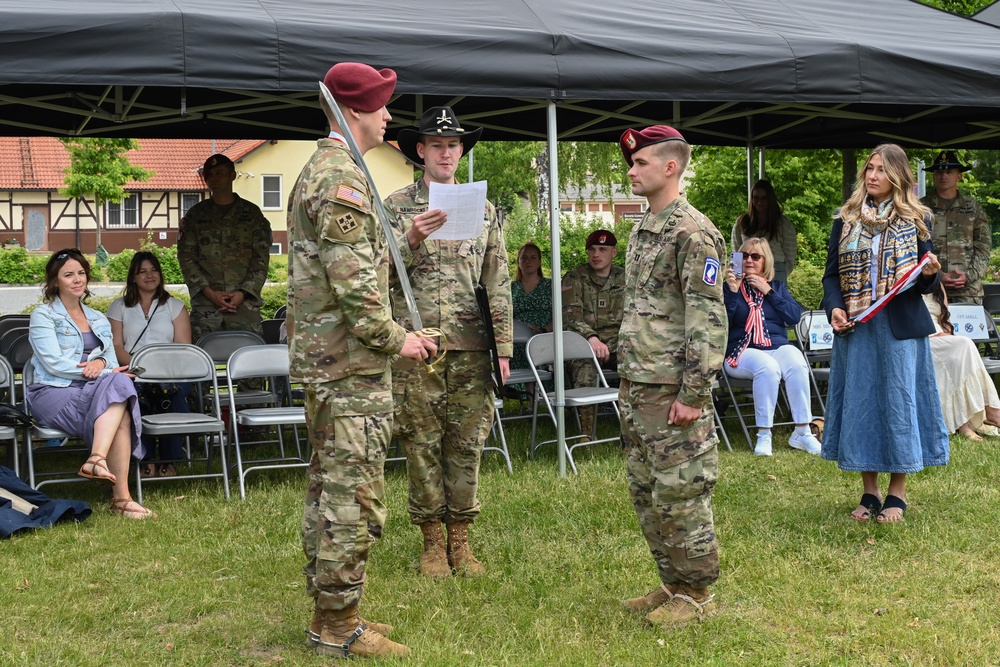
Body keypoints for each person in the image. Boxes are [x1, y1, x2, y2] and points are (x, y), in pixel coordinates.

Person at [287, 62, 436, 660]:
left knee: (330, 493)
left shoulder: (334, 170)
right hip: (349, 367)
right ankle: (338, 626)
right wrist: (399, 339)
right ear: (353, 111)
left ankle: (333, 613)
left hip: (336, 363)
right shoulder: (341, 179)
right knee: (352, 500)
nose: (389, 115)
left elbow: (355, 263)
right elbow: (355, 289)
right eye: (381, 105)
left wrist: (407, 242)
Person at [384, 105, 512, 579]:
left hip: (471, 345)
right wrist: (410, 239)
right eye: (436, 145)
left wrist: (503, 349)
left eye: (453, 145)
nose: (445, 153)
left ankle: (461, 538)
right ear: (420, 151)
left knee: (466, 444)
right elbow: (373, 276)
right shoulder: (395, 207)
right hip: (418, 347)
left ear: (461, 151)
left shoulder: (484, 209)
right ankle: (431, 543)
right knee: (420, 442)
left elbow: (497, 280)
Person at [617, 125, 726, 628]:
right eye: (632, 163)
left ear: (670, 167)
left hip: (672, 389)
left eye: (641, 163)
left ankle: (698, 592)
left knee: (682, 492)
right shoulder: (644, 227)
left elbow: (707, 320)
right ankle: (672, 583)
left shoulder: (693, 233)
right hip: (639, 384)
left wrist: (694, 393)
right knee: (648, 493)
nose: (632, 170)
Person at [821, 143, 949, 524]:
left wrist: (930, 275)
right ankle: (869, 491)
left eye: (881, 170)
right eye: (870, 168)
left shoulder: (917, 219)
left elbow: (926, 280)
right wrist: (835, 308)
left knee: (898, 404)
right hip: (858, 325)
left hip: (899, 328)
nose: (873, 175)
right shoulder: (845, 219)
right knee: (861, 403)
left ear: (897, 176)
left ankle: (897, 492)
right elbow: (831, 275)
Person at [26, 249, 153, 520]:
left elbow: (110, 361)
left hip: (94, 389)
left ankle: (97, 460)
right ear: (55, 280)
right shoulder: (43, 315)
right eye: (68, 275)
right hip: (53, 391)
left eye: (81, 273)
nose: (77, 279)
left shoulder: (97, 317)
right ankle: (121, 498)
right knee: (119, 394)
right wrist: (96, 370)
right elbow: (53, 364)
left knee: (119, 383)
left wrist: (102, 365)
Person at [723, 238, 821, 456]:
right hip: (741, 350)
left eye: (755, 256)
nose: (749, 260)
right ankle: (764, 434)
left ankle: (802, 432)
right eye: (744, 256)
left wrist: (769, 292)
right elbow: (721, 325)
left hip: (776, 346)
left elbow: (794, 317)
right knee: (767, 366)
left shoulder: (776, 287)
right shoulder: (729, 288)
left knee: (796, 361)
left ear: (765, 261)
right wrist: (733, 292)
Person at [107, 251, 192, 478]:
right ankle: (144, 458)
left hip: (171, 371)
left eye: (154, 270)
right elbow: (116, 347)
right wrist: (141, 367)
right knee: (134, 394)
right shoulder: (119, 307)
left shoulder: (175, 306)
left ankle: (169, 459)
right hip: (133, 368)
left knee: (171, 393)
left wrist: (160, 370)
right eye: (142, 271)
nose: (149, 275)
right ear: (133, 277)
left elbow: (184, 347)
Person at [178, 152, 272, 342]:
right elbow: (186, 259)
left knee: (249, 357)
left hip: (244, 307)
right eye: (210, 175)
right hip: (206, 308)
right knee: (203, 357)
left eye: (220, 173)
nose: (214, 179)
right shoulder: (195, 216)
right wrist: (209, 293)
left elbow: (260, 259)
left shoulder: (252, 214)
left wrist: (243, 293)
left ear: (232, 175)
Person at [562, 229, 625, 436]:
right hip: (584, 345)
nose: (596, 254)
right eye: (592, 249)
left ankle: (633, 426)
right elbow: (570, 316)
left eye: (602, 249)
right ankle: (587, 433)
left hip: (617, 344)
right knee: (585, 369)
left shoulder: (625, 278)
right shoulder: (575, 277)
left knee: (637, 364)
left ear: (614, 252)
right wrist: (592, 338)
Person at [923, 284, 1000, 441]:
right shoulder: (904, 282)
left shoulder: (937, 285)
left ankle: (966, 423)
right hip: (919, 338)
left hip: (941, 339)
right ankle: (993, 412)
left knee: (960, 353)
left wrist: (947, 336)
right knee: (964, 344)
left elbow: (945, 322)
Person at [920, 151, 992, 305]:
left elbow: (983, 248)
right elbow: (914, 247)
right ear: (934, 176)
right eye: (939, 172)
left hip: (968, 292)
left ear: (958, 176)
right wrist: (937, 275)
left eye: (949, 172)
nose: (943, 176)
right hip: (932, 288)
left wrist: (969, 276)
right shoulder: (921, 209)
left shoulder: (973, 208)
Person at [732, 179, 798, 282]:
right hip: (748, 271)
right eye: (756, 198)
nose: (759, 202)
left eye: (764, 198)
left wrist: (781, 273)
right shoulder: (742, 222)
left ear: (770, 199)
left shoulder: (783, 224)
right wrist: (737, 277)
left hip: (776, 271)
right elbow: (736, 252)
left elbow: (790, 255)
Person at [511, 241, 552, 372]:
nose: (528, 261)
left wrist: (543, 330)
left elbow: (562, 314)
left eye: (533, 257)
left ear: (539, 262)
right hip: (518, 340)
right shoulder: (511, 287)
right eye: (524, 258)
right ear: (518, 262)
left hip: (545, 338)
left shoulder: (551, 285)